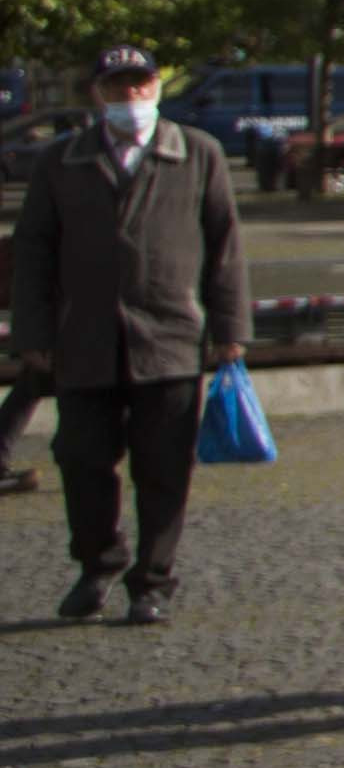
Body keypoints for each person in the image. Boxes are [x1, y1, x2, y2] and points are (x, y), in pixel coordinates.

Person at [5, 44, 245, 627]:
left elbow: (224, 245)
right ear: (97, 94)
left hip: (168, 339)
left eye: (139, 85)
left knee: (163, 468)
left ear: (157, 87)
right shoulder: (62, 160)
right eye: (117, 88)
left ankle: (153, 580)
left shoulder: (197, 153)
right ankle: (97, 563)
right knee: (81, 460)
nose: (130, 97)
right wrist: (33, 334)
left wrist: (230, 328)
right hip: (83, 339)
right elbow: (33, 252)